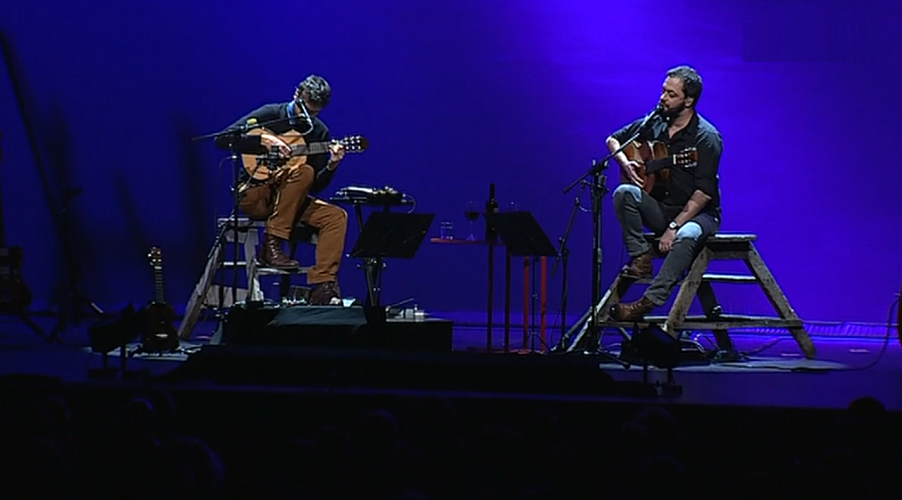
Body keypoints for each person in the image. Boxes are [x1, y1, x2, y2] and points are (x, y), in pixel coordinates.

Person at [215, 74, 348, 306]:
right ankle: (272, 245)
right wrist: (264, 141)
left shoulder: (319, 132)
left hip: (289, 200)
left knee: (335, 216)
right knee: (303, 172)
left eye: (315, 113)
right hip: (255, 193)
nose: (309, 117)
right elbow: (222, 139)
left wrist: (331, 165)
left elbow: (315, 185)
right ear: (296, 95)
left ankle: (323, 287)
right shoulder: (270, 114)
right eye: (306, 109)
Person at [605, 65, 723, 322]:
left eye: (671, 94)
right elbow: (613, 140)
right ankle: (641, 255)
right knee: (624, 192)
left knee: (686, 234)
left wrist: (673, 227)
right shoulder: (655, 122)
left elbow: (703, 193)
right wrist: (626, 164)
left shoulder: (707, 138)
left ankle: (648, 302)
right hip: (661, 206)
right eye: (663, 91)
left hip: (698, 215)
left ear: (688, 100)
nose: (663, 98)